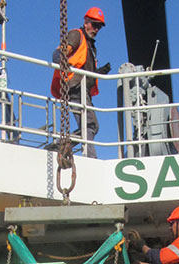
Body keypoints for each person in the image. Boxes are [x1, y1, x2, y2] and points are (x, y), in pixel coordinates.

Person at [50, 6, 111, 158]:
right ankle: (90, 157)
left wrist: (100, 72)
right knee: (90, 125)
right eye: (94, 24)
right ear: (86, 22)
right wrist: (59, 58)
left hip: (83, 89)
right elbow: (60, 51)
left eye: (99, 27)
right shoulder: (77, 35)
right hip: (76, 86)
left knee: (91, 125)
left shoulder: (90, 46)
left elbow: (84, 67)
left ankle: (60, 146)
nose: (96, 29)